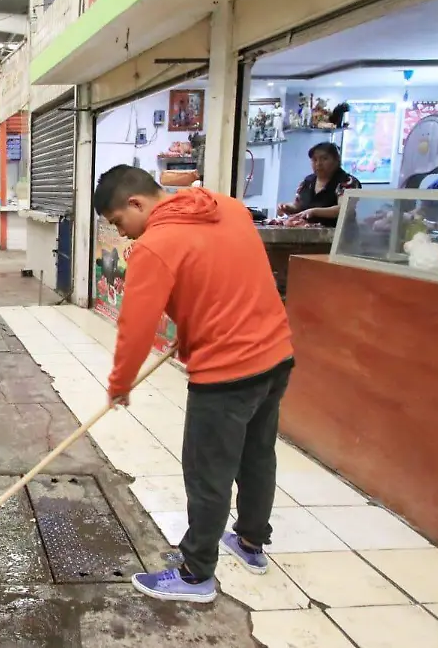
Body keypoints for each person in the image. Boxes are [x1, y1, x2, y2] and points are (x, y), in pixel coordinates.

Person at [94, 165, 294, 604]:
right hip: (277, 357)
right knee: (257, 456)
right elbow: (230, 280)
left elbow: (136, 327)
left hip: (226, 374)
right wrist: (192, 327)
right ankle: (251, 542)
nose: (123, 235)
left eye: (117, 223)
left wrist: (120, 384)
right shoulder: (230, 207)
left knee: (208, 475)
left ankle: (194, 574)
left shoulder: (155, 246)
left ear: (136, 203)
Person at [277, 142, 362, 227]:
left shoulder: (347, 181)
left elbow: (344, 209)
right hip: (309, 233)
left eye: (324, 159)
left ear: (337, 160)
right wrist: (286, 207)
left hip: (339, 235)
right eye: (314, 160)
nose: (318, 164)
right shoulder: (307, 181)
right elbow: (298, 206)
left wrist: (314, 212)